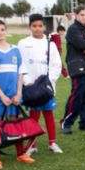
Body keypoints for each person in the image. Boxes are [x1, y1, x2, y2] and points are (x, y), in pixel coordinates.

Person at [0, 19, 35, 169]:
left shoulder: (15, 50)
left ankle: (20, 154)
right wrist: (1, 95)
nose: (0, 32)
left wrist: (19, 92)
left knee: (15, 123)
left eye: (2, 29)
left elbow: (20, 72)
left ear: (6, 30)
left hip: (14, 95)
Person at [18, 13, 64, 155]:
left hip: (46, 86)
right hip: (31, 86)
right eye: (34, 26)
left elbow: (56, 64)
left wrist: (50, 81)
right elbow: (21, 64)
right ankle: (32, 144)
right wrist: (27, 81)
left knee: (48, 114)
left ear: (44, 26)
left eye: (40, 26)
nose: (37, 29)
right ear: (30, 27)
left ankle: (52, 143)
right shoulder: (23, 43)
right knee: (34, 115)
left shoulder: (50, 44)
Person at [61, 5, 85, 134]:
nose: (84, 17)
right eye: (81, 14)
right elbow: (80, 44)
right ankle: (66, 122)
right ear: (76, 15)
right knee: (77, 95)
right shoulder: (73, 30)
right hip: (78, 67)